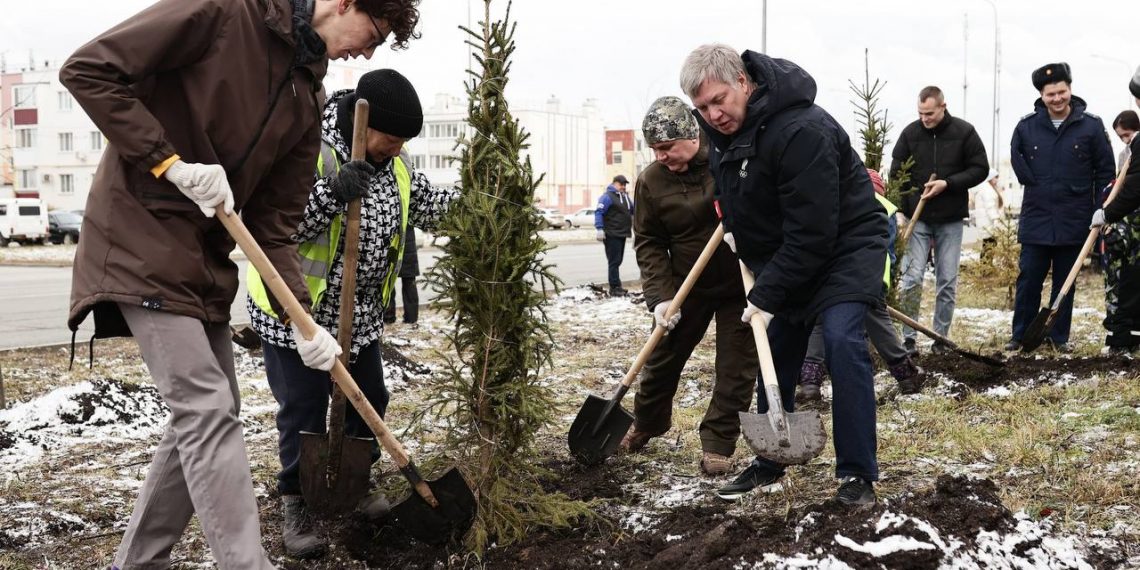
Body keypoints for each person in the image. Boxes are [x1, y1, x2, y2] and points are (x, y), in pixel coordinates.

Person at [59, 0, 419, 567]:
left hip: (203, 263)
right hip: (139, 236)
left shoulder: (306, 95)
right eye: (372, 34)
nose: (367, 53)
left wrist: (304, 321)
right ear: (343, 2)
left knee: (199, 419)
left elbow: (275, 229)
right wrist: (168, 162)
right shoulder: (228, 13)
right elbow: (88, 70)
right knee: (207, 411)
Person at [247, 69, 455, 558]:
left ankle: (354, 484)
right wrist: (333, 191)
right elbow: (275, 226)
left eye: (405, 141)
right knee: (303, 406)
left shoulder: (396, 170)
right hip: (295, 312)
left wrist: (484, 201)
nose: (398, 149)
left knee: (372, 397)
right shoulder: (311, 150)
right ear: (367, 123)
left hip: (358, 318)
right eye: (393, 137)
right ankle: (296, 499)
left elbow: (431, 205)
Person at [681, 44, 888, 505]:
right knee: (775, 349)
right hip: (789, 254)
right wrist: (735, 231)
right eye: (702, 108)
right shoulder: (722, 134)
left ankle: (856, 473)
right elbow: (734, 194)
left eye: (719, 100)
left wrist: (767, 292)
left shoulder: (802, 129)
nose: (713, 115)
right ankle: (771, 460)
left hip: (845, 248)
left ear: (742, 81)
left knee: (841, 341)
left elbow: (814, 232)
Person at [621, 96, 758, 476]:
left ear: (692, 135)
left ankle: (718, 444)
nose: (661, 156)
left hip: (740, 285)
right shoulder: (651, 181)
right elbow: (648, 241)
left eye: (666, 147)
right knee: (661, 358)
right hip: (685, 287)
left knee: (736, 368)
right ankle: (647, 422)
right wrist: (661, 298)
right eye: (654, 150)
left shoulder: (727, 160)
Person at [1008, 63, 1115, 352]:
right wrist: (1031, 181)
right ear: (1041, 95)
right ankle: (1020, 335)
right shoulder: (1026, 126)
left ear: (1070, 88)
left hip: (1075, 218)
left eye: (1061, 92)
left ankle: (1058, 337)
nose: (1057, 99)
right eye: (1050, 94)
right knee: (1029, 278)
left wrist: (1100, 208)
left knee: (1065, 282)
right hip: (1036, 216)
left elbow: (1106, 172)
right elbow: (1016, 154)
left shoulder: (1091, 126)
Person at [797, 169, 925, 401]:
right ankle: (906, 375)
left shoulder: (839, 202)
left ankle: (810, 383)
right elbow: (886, 252)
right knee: (878, 325)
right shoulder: (885, 209)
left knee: (818, 322)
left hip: (831, 279)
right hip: (868, 279)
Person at [889, 86, 989, 355]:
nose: (925, 118)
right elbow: (896, 174)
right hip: (917, 219)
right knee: (912, 278)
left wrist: (949, 183)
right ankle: (908, 338)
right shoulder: (910, 134)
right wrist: (903, 210)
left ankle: (940, 338)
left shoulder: (964, 132)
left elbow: (981, 168)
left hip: (950, 219)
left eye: (930, 113)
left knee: (947, 279)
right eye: (921, 113)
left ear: (943, 106)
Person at [1090, 103, 1140, 353]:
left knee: (1128, 284)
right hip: (1119, 229)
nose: (1125, 141)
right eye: (1121, 137)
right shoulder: (1126, 155)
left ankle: (1124, 336)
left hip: (1130, 230)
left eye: (1127, 135)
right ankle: (1120, 333)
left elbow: (1131, 190)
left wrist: (1108, 212)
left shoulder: (1135, 153)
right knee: (1119, 283)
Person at [595, 174, 634, 296]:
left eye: (625, 184)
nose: (623, 187)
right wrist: (599, 228)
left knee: (618, 261)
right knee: (614, 261)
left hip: (622, 233)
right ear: (615, 184)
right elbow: (599, 212)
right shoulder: (607, 197)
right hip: (612, 233)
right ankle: (614, 288)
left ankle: (618, 285)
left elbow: (633, 211)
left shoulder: (625, 197)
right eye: (621, 184)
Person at [383, 224, 420, 324]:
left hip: (391, 242)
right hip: (408, 244)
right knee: (409, 283)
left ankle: (388, 317)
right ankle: (411, 318)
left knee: (389, 281)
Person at [974, 169, 1006, 261]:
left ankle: (986, 268)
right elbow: (990, 206)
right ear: (990, 177)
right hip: (988, 223)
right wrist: (995, 219)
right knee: (989, 246)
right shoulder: (987, 189)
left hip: (987, 223)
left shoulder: (988, 188)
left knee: (988, 245)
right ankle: (985, 269)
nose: (997, 180)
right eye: (995, 177)